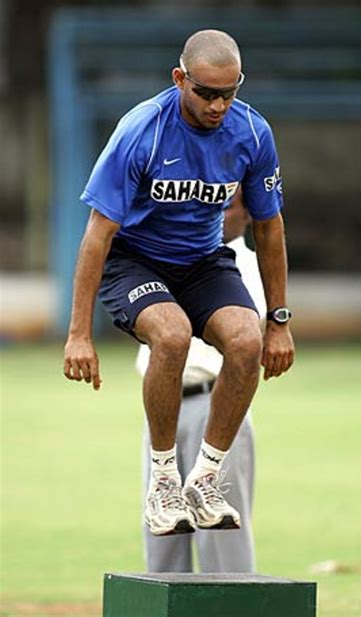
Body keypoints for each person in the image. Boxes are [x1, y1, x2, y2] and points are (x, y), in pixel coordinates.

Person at [63, 29, 294, 537]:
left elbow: (268, 225)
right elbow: (97, 236)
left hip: (202, 260)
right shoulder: (141, 131)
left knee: (246, 338)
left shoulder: (252, 134)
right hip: (135, 261)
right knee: (170, 335)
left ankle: (204, 479)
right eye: (206, 93)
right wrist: (79, 333)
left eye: (228, 93)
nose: (217, 106)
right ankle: (164, 481)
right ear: (180, 79)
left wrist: (278, 320)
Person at [138, 192, 265, 572]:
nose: (217, 212)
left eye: (228, 205)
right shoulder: (168, 252)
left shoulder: (246, 266)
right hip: (162, 409)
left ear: (248, 214)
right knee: (161, 535)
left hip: (214, 407)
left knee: (223, 542)